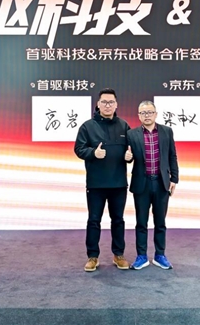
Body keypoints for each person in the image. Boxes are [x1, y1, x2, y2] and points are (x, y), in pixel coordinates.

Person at [74, 88, 131, 272]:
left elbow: (132, 149)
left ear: (116, 104)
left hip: (119, 184)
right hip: (96, 184)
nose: (108, 105)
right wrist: (93, 153)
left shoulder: (124, 126)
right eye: (104, 102)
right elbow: (79, 149)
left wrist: (130, 157)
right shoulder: (87, 126)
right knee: (94, 220)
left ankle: (118, 254)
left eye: (111, 102)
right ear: (98, 104)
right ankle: (92, 256)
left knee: (118, 220)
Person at [125, 100, 179, 270]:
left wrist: (174, 179)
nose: (146, 116)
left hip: (161, 183)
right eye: (143, 113)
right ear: (138, 115)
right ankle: (141, 256)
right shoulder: (131, 134)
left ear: (155, 114)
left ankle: (160, 255)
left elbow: (172, 156)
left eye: (149, 112)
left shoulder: (166, 132)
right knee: (141, 222)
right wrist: (127, 158)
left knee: (160, 221)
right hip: (142, 183)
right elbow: (128, 156)